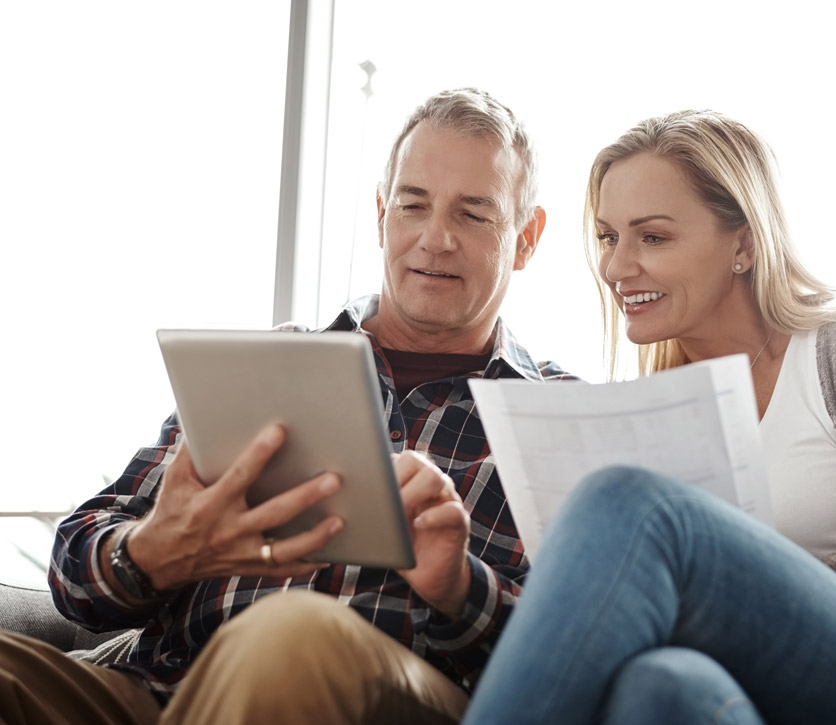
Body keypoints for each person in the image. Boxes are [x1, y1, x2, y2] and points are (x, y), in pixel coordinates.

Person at [0, 87, 575, 725]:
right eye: (413, 204)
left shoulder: (559, 418)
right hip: (159, 691)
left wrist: (459, 588)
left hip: (377, 693)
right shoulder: (269, 364)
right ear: (383, 212)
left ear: (526, 238)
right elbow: (75, 569)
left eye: (473, 214)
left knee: (294, 635)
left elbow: (578, 661)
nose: (434, 239)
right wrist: (156, 550)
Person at [462, 111, 836, 724]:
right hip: (749, 699)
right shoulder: (654, 407)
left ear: (742, 244)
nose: (616, 266)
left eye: (652, 237)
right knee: (660, 685)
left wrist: (717, 566)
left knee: (628, 505)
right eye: (608, 237)